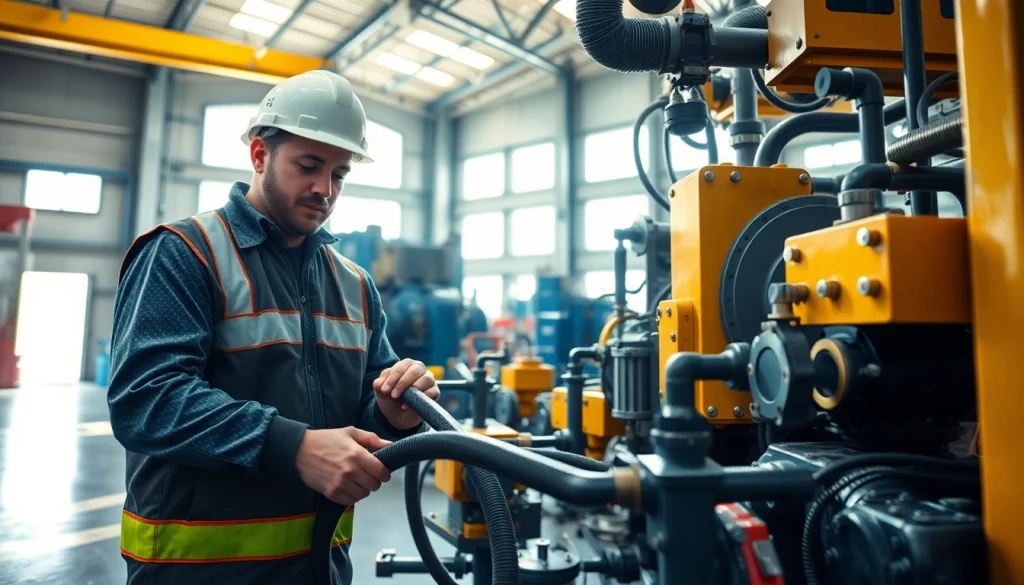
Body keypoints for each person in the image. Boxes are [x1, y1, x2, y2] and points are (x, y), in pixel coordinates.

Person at [107, 70, 440, 585]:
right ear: (260, 155)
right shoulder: (184, 254)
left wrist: (394, 415)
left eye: (339, 174)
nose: (323, 189)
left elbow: (365, 418)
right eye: (308, 166)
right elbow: (145, 401)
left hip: (318, 569)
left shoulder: (355, 285)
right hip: (195, 572)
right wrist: (293, 446)